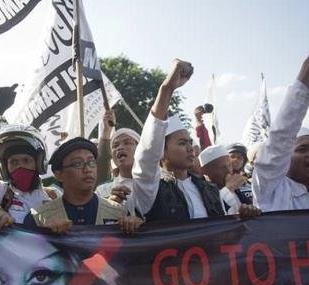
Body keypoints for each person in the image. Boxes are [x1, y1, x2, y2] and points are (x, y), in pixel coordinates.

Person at [131, 58, 225, 222]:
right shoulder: (151, 189)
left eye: (190, 142)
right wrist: (167, 89)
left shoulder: (210, 190)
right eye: (182, 143)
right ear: (162, 152)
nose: (190, 148)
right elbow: (148, 152)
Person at [0, 85, 55, 224]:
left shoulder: (53, 199)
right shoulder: (0, 191)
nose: (20, 166)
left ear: (39, 163)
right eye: (14, 162)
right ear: (4, 167)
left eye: (26, 160)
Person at [29, 137, 143, 234]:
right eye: (77, 164)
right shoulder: (39, 218)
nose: (87, 169)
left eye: (91, 162)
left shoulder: (119, 213)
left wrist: (138, 227)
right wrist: (44, 235)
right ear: (58, 174)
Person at [253, 56, 309, 211]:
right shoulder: (271, 189)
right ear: (285, 157)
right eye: (302, 149)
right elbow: (281, 138)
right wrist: (303, 86)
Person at [199, 144, 260, 216]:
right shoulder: (201, 194)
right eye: (223, 168)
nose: (229, 171)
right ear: (204, 171)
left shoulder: (237, 190)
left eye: (229, 165)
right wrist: (228, 190)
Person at [96, 124, 140, 204]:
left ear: (140, 149)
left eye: (127, 143)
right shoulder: (101, 191)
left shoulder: (157, 184)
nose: (120, 148)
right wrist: (109, 206)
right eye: (115, 145)